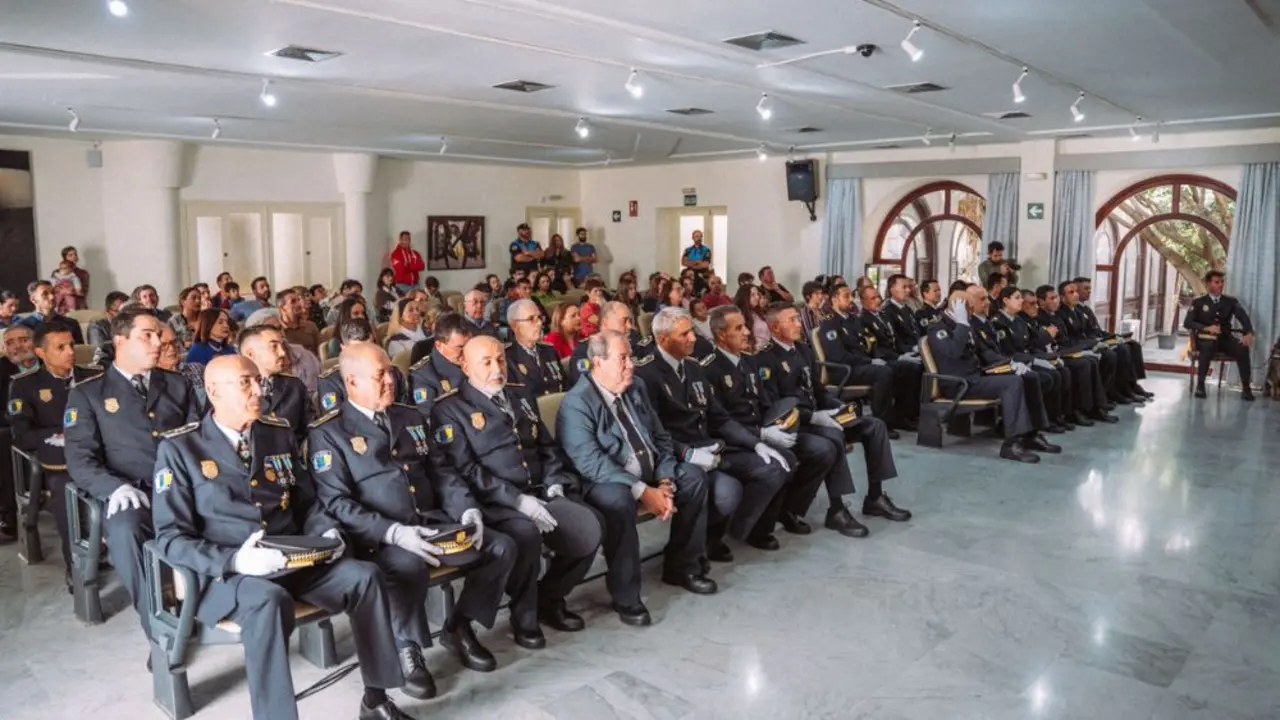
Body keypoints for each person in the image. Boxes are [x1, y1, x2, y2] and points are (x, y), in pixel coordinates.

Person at [152, 355, 411, 720]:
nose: (260, 390)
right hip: (229, 575)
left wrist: (326, 530)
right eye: (246, 383)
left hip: (293, 559)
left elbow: (307, 500)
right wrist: (236, 560)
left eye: (259, 381)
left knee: (365, 577)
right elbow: (170, 537)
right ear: (213, 392)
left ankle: (376, 698)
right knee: (268, 600)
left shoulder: (276, 432)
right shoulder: (180, 448)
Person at [311, 344, 513, 686]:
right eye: (379, 375)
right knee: (406, 565)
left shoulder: (410, 416)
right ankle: (406, 646)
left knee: (500, 547)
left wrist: (466, 509)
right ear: (352, 382)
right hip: (382, 537)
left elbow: (442, 472)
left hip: (430, 521)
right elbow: (337, 503)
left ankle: (459, 625)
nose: (390, 380)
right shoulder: (329, 433)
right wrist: (392, 533)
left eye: (390, 371)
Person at [433, 335, 603, 636]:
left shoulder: (520, 395)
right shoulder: (450, 409)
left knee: (589, 524)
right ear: (464, 365)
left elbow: (546, 447)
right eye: (486, 362)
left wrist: (554, 486)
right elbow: (466, 469)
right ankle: (524, 616)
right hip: (496, 502)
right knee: (525, 535)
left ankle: (549, 597)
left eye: (500, 359)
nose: (497, 368)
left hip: (540, 490)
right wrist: (517, 501)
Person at [556, 331, 715, 626]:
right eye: (623, 358)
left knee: (692, 478)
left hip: (650, 471)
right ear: (598, 362)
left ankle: (683, 565)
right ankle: (626, 595)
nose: (631, 365)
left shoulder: (636, 387)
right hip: (605, 481)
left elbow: (661, 438)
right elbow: (591, 464)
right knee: (618, 501)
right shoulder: (577, 403)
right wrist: (643, 491)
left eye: (631, 357)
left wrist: (665, 481)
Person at [64, 308, 200, 644]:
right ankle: (158, 624)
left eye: (159, 336)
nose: (158, 343)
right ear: (120, 340)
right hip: (133, 490)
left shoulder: (177, 385)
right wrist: (113, 487)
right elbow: (80, 459)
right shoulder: (88, 393)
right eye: (148, 336)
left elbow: (199, 437)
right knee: (125, 530)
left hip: (182, 487)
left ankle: (214, 602)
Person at [636, 307, 792, 557]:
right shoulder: (646, 374)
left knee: (772, 465)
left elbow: (719, 417)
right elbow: (651, 432)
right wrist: (687, 453)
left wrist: (756, 443)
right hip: (675, 456)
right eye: (684, 334)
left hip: (708, 447)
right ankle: (687, 554)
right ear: (663, 340)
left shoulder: (693, 367)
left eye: (692, 332)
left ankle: (713, 538)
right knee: (727, 491)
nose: (693, 338)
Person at [755, 305, 910, 537]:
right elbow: (774, 406)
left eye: (798, 318)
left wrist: (837, 408)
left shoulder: (804, 351)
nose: (799, 324)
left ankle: (875, 496)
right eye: (792, 320)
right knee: (834, 436)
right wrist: (814, 416)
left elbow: (818, 391)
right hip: (797, 424)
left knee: (874, 426)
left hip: (820, 416)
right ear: (774, 327)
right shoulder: (765, 359)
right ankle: (836, 510)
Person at [705, 306, 835, 539]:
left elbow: (764, 403)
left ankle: (777, 516)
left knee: (816, 451)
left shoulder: (748, 362)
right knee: (783, 462)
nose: (747, 332)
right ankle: (743, 529)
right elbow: (719, 421)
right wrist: (761, 434)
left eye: (745, 325)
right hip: (732, 441)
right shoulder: (709, 368)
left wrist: (782, 423)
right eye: (739, 328)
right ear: (722, 335)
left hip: (759, 432)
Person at [7, 323, 100, 573]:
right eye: (61, 347)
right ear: (41, 353)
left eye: (71, 345)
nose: (70, 351)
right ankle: (78, 567)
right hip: (58, 460)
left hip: (101, 453)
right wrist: (61, 434)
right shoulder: (24, 385)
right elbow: (22, 434)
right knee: (65, 491)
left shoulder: (94, 376)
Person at [924, 290, 1054, 463]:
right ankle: (1011, 444)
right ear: (958, 307)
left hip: (975, 377)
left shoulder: (966, 324)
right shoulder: (938, 327)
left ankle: (1031, 434)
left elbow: (985, 352)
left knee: (1028, 376)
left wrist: (1010, 364)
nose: (972, 312)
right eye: (969, 308)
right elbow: (953, 351)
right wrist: (962, 323)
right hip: (958, 384)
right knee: (1012, 383)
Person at [966, 285, 1065, 436]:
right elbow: (989, 354)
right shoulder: (975, 323)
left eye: (987, 298)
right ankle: (1029, 429)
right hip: (989, 368)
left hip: (1003, 362)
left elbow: (1028, 344)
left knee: (1047, 375)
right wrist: (1012, 363)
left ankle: (1036, 427)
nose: (988, 302)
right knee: (1033, 377)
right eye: (982, 299)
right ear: (970, 301)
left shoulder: (987, 321)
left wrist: (1044, 358)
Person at [817, 285, 899, 438]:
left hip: (860, 365)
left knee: (897, 366)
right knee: (883, 372)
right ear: (834, 299)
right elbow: (838, 356)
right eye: (846, 296)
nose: (851, 300)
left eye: (852, 296)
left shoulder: (855, 319)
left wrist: (879, 357)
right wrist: (869, 361)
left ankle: (900, 416)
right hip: (843, 370)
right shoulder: (830, 323)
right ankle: (880, 422)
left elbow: (869, 342)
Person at [991, 287, 1076, 432]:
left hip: (1027, 359)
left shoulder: (1019, 320)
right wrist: (1034, 360)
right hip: (1014, 364)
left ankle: (1055, 417)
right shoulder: (998, 322)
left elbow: (1030, 345)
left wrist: (1050, 358)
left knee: (1060, 371)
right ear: (1005, 300)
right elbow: (1008, 352)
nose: (1021, 301)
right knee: (1045, 377)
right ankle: (1038, 422)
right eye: (1017, 298)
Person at [1032, 286, 1117, 425]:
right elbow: (1051, 344)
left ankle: (1096, 406)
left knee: (1091, 361)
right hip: (1054, 353)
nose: (1056, 301)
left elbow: (1067, 340)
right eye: (1051, 298)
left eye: (1056, 297)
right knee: (1084, 364)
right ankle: (1078, 410)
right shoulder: (1040, 318)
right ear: (1041, 302)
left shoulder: (1056, 316)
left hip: (1064, 350)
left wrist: (1083, 348)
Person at [1074, 277, 1152, 399]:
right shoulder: (1074, 310)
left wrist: (1114, 336)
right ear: (1076, 290)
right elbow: (1084, 333)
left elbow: (1097, 330)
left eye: (1090, 288)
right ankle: (1121, 389)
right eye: (1086, 288)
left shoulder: (1085, 308)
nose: (1089, 291)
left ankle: (1133, 384)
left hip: (1097, 338)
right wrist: (1100, 340)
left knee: (1133, 345)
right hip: (1090, 343)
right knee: (1121, 350)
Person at [858, 285, 923, 431]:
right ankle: (885, 421)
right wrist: (899, 357)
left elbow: (896, 341)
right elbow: (876, 349)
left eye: (878, 297)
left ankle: (905, 415)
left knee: (916, 366)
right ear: (863, 302)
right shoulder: (863, 320)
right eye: (872, 298)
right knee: (905, 368)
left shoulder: (883, 316)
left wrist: (909, 351)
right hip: (880, 359)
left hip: (893, 356)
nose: (878, 300)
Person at [1184, 270, 1255, 400]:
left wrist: (1249, 332)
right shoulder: (1199, 302)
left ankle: (1246, 388)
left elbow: (1243, 317)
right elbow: (1188, 322)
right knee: (1207, 347)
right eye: (1217, 282)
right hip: (1205, 338)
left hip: (1225, 338)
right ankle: (1200, 386)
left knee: (1242, 348)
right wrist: (1206, 327)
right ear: (1208, 284)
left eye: (1222, 282)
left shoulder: (1230, 301)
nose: (1221, 285)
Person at [238, 324, 311, 440]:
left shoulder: (294, 386)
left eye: (281, 346)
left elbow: (310, 429)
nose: (282, 353)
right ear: (251, 354)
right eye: (274, 347)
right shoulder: (231, 389)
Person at [408, 312, 472, 418]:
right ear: (439, 345)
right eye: (459, 347)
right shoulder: (423, 376)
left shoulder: (477, 358)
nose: (466, 352)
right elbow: (430, 417)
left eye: (469, 345)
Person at [566, 301, 643, 387]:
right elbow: (587, 387)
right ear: (605, 322)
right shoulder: (584, 352)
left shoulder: (634, 338)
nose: (629, 326)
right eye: (624, 321)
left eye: (630, 321)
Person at [505, 299, 566, 397]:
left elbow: (565, 385)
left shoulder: (549, 351)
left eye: (539, 318)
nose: (539, 323)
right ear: (515, 326)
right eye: (531, 319)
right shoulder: (507, 358)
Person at [17, 280, 84, 343]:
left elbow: (80, 352)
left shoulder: (71, 324)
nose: (52, 297)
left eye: (53, 292)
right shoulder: (23, 327)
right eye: (45, 294)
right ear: (33, 300)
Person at [275, 288, 321, 357]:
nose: (299, 304)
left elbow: (321, 351)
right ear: (282, 309)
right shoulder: (277, 331)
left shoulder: (311, 326)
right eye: (293, 302)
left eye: (298, 300)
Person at [734, 284, 770, 353]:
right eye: (753, 295)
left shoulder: (757, 312)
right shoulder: (739, 316)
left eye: (757, 294)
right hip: (753, 353)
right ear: (744, 297)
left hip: (766, 349)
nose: (757, 297)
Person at [57, 246, 91, 310]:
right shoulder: (56, 273)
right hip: (61, 308)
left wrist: (72, 291)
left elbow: (84, 292)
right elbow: (52, 288)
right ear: (65, 258)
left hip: (78, 307)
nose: (74, 256)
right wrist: (62, 291)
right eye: (70, 255)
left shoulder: (83, 273)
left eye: (75, 254)